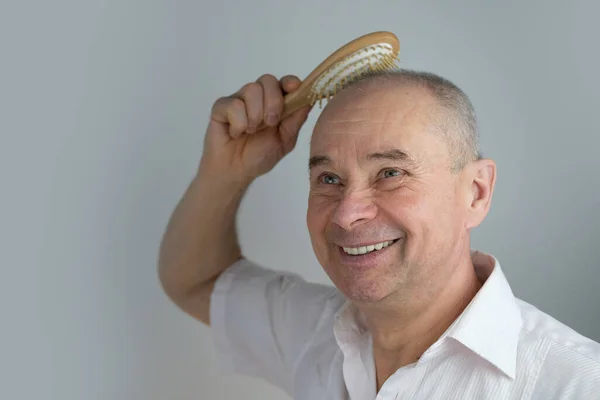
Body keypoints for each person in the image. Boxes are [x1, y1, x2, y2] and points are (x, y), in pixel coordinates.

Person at [158, 70, 600, 399]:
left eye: (390, 173)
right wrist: (225, 172)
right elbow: (196, 280)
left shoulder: (574, 383)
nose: (348, 214)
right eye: (328, 178)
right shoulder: (315, 332)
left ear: (476, 193)